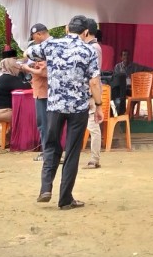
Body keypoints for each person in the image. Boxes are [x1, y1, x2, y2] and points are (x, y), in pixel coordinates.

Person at [27, 15, 103, 210]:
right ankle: (65, 198)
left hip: (54, 105)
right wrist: (99, 105)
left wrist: (45, 62)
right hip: (77, 108)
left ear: (67, 29)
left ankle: (45, 187)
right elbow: (94, 81)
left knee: (51, 145)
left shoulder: (52, 45)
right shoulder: (89, 50)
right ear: (86, 32)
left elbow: (29, 51)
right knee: (72, 152)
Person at [19, 23, 51, 161]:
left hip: (44, 92)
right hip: (44, 91)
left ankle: (48, 153)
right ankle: (49, 152)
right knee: (46, 123)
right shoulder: (53, 46)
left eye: (33, 37)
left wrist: (27, 68)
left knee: (44, 123)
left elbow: (45, 72)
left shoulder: (46, 48)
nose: (33, 41)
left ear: (39, 34)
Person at [83, 19, 104, 169]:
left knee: (93, 125)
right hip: (88, 90)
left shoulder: (93, 48)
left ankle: (94, 158)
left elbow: (93, 75)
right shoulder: (90, 46)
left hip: (91, 91)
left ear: (85, 31)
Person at [0, 56, 31, 123]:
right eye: (16, 66)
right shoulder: (8, 77)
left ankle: (10, 133)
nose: (18, 68)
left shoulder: (1, 76)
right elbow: (26, 87)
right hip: (1, 111)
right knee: (29, 117)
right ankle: (20, 133)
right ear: (12, 66)